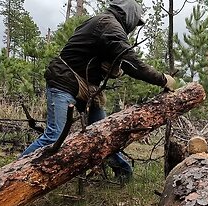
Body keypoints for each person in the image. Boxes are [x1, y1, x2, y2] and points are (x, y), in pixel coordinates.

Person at [21, 0, 175, 182]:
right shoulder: (109, 25)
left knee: (103, 134)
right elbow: (132, 63)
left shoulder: (105, 23)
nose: (135, 27)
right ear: (129, 15)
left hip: (86, 87)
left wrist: (110, 66)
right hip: (64, 81)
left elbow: (107, 59)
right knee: (54, 137)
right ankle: (11, 180)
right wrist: (162, 79)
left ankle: (124, 173)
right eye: (136, 22)